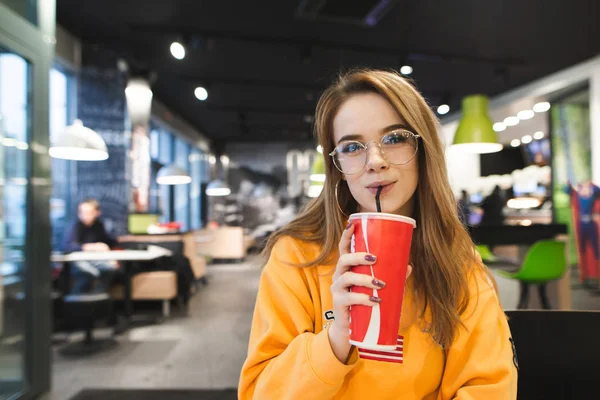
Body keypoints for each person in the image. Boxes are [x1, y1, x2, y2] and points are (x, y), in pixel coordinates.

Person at [239, 70, 517, 399]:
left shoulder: (456, 259)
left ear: (423, 148)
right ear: (337, 168)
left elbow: (488, 388)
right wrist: (336, 338)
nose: (375, 161)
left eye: (395, 138)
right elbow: (259, 392)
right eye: (352, 147)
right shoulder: (297, 255)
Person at [63, 199, 118, 294]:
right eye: (82, 212)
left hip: (96, 259)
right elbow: (67, 246)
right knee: (91, 273)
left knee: (111, 268)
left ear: (97, 213)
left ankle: (98, 298)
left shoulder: (98, 225)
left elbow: (108, 242)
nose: (85, 215)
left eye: (88, 212)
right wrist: (92, 247)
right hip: (79, 261)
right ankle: (74, 302)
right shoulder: (75, 225)